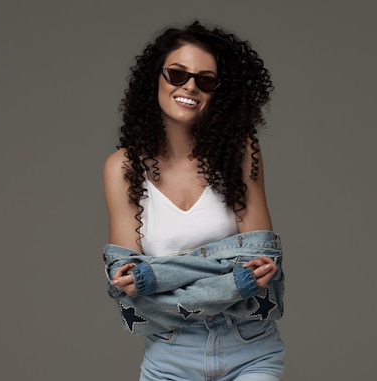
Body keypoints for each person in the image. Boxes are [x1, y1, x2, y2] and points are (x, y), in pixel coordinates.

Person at [102, 20, 286, 381]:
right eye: (177, 74)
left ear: (220, 92)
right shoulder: (121, 168)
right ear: (155, 77)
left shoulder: (241, 152)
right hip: (169, 357)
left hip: (250, 349)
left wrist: (155, 278)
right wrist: (233, 280)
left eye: (206, 80)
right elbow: (128, 296)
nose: (189, 86)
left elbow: (264, 266)